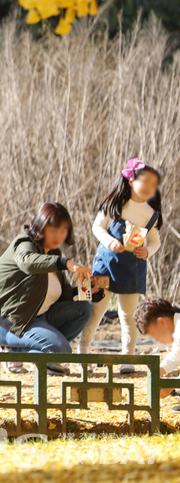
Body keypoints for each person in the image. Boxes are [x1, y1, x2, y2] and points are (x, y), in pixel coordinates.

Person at [0, 203, 97, 372]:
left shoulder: (53, 253)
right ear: (41, 226)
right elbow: (28, 262)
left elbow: (61, 294)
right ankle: (15, 351)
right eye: (54, 229)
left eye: (63, 230)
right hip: (7, 322)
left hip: (36, 319)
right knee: (62, 350)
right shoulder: (24, 242)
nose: (59, 235)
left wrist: (86, 292)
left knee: (83, 309)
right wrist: (67, 263)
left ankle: (46, 359)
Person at [79, 159, 164, 375]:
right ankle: (83, 354)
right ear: (130, 181)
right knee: (95, 311)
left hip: (133, 268)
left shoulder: (150, 212)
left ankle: (128, 356)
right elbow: (97, 227)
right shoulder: (114, 204)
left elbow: (155, 241)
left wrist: (147, 251)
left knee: (128, 315)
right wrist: (110, 242)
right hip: (104, 266)